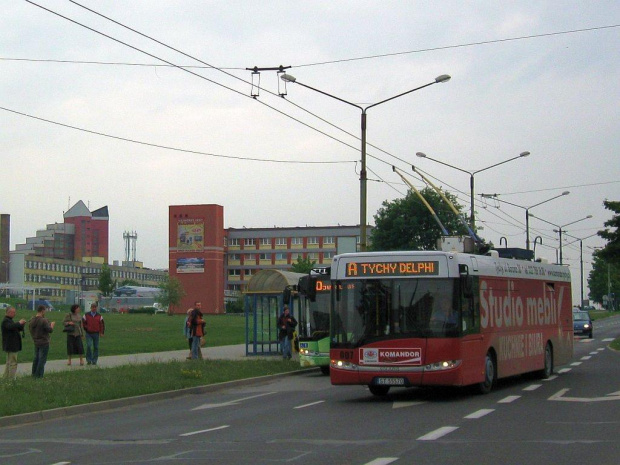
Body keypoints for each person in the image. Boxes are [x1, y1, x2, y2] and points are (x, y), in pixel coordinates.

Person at [29, 305, 55, 378]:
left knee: (36, 358)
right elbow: (50, 330)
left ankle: (33, 373)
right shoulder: (43, 320)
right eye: (45, 310)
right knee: (42, 359)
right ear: (42, 311)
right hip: (44, 342)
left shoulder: (32, 320)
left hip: (36, 341)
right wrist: (52, 325)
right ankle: (39, 375)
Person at [2, 306, 26, 380]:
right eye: (13, 312)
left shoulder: (10, 320)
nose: (15, 314)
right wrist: (19, 322)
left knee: (9, 362)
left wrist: (21, 325)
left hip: (12, 345)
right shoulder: (5, 321)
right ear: (9, 312)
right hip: (11, 345)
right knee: (13, 363)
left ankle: (5, 377)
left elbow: (16, 328)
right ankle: (11, 378)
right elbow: (10, 327)